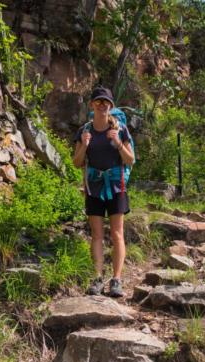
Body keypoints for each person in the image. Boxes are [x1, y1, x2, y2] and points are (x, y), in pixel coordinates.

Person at [73, 87, 135, 297]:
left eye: (106, 102)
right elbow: (76, 162)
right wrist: (84, 145)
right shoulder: (84, 131)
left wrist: (118, 143)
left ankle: (116, 280)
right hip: (94, 186)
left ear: (111, 106)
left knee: (117, 233)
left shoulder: (121, 129)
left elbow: (131, 160)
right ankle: (98, 278)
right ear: (92, 104)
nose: (102, 105)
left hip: (117, 186)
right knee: (97, 235)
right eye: (98, 101)